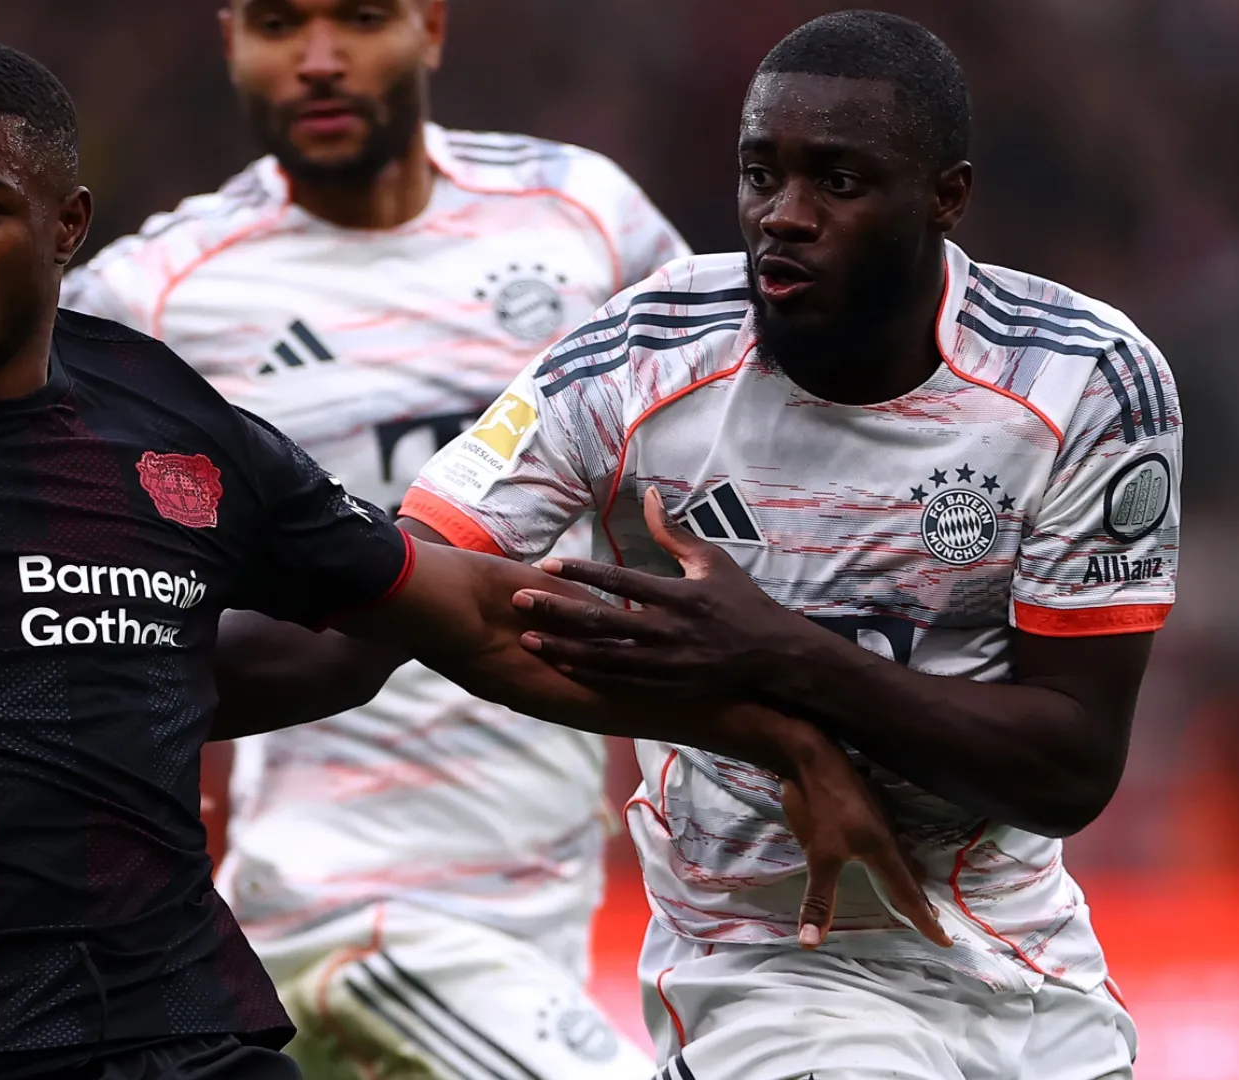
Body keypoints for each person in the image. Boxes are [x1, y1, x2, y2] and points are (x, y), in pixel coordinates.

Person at [0, 39, 939, 1080]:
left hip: (198, 1037)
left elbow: (445, 619)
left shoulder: (165, 418)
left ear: (68, 228)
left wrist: (780, 731)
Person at [391, 12, 1180, 1080]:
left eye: (839, 184)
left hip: (1021, 967)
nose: (784, 218)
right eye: (761, 175)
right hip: (773, 966)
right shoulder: (645, 353)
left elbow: (1070, 765)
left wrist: (781, 653)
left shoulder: (1083, 381)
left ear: (946, 198)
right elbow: (409, 575)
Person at [59, 1, 684, 1074]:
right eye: (275, 24)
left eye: (357, 17)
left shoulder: (585, 220)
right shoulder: (153, 296)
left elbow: (714, 480)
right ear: (229, 41)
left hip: (544, 912)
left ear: (431, 28)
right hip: (341, 916)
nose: (317, 61)